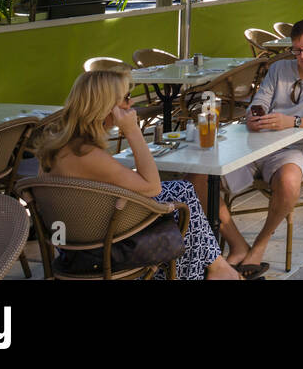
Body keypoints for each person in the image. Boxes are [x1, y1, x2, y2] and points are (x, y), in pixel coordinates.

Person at [37, 70, 243, 280]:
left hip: (73, 242)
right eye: (126, 98)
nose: (132, 102)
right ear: (107, 105)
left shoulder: (59, 145)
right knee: (180, 198)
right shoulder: (86, 154)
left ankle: (218, 268)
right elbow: (154, 186)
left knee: (179, 194)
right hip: (98, 250)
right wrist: (133, 131)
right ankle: (214, 271)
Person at [214, 19, 303, 272]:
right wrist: (253, 116)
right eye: (296, 50)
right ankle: (237, 243)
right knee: (198, 179)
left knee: (288, 182)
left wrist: (292, 122)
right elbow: (259, 100)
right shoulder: (279, 69)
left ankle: (259, 246)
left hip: (292, 149)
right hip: (254, 145)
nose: (302, 56)